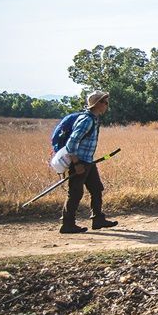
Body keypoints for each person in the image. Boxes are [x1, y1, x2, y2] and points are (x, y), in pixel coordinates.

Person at [60, 91, 117, 234]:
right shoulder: (87, 120)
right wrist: (77, 163)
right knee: (75, 193)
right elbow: (71, 144)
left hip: (88, 162)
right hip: (80, 163)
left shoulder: (94, 119)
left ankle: (98, 219)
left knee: (97, 189)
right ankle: (67, 224)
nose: (107, 105)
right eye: (105, 102)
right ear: (97, 104)